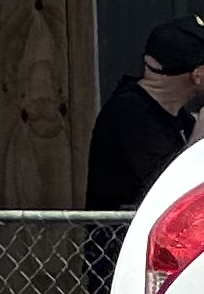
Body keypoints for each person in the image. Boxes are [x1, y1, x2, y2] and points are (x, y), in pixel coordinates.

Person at [85, 17, 204, 208]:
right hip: (126, 236)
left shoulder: (178, 116)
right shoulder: (130, 114)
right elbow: (165, 187)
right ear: (197, 75)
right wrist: (197, 140)